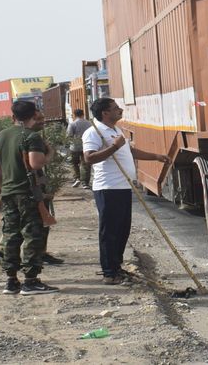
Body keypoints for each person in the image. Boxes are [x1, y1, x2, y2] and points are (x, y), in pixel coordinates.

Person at [82, 97, 169, 285]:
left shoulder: (115, 130)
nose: (120, 110)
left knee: (122, 230)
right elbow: (89, 158)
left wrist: (155, 156)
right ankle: (109, 273)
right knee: (110, 231)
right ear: (105, 113)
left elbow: (129, 151)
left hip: (123, 187)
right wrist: (115, 146)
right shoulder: (94, 132)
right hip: (108, 188)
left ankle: (117, 267)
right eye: (115, 108)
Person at [0, 100, 59, 296]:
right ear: (34, 115)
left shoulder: (0, 136)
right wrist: (49, 154)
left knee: (11, 235)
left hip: (9, 193)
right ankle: (30, 280)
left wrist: (3, 186)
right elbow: (36, 164)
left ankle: (11, 280)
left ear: (13, 116)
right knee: (32, 235)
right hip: (28, 193)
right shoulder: (31, 136)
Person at [67, 109, 91, 188]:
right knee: (86, 164)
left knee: (74, 163)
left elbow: (69, 135)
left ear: (74, 115)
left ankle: (77, 178)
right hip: (86, 146)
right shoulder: (89, 123)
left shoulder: (72, 124)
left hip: (75, 147)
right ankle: (85, 183)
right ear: (83, 114)